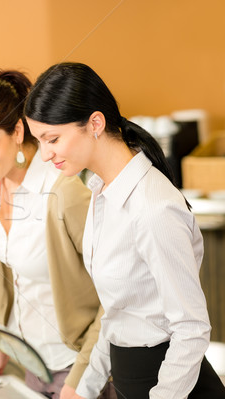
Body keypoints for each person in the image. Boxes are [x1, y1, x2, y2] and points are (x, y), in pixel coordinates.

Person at [24, 62, 225, 398]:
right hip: (130, 378)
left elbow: (191, 329)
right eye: (39, 141)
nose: (45, 154)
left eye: (52, 139)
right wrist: (81, 389)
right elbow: (116, 314)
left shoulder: (153, 207)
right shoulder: (101, 191)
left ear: (95, 123)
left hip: (170, 384)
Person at [0, 70, 115, 399]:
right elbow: (16, 283)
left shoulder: (64, 190)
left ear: (17, 130)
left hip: (81, 366)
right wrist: (4, 345)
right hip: (34, 363)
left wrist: (82, 379)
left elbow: (116, 295)